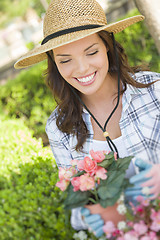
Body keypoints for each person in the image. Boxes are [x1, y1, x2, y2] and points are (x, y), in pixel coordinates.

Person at [14, 0, 160, 237]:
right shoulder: (59, 128)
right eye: (65, 60)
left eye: (91, 52)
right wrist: (95, 214)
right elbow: (78, 208)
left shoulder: (155, 91)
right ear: (54, 64)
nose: (81, 69)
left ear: (108, 46)